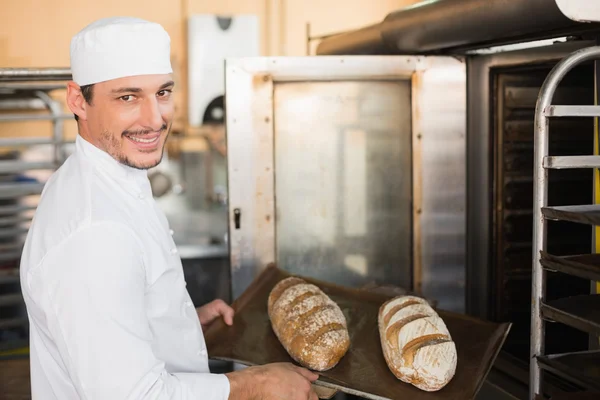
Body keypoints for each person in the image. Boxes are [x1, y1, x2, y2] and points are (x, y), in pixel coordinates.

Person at [19, 16, 319, 400]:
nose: (155, 118)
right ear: (79, 101)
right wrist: (257, 385)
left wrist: (178, 327)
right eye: (127, 97)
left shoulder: (109, 177)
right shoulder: (95, 233)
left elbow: (106, 329)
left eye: (162, 93)